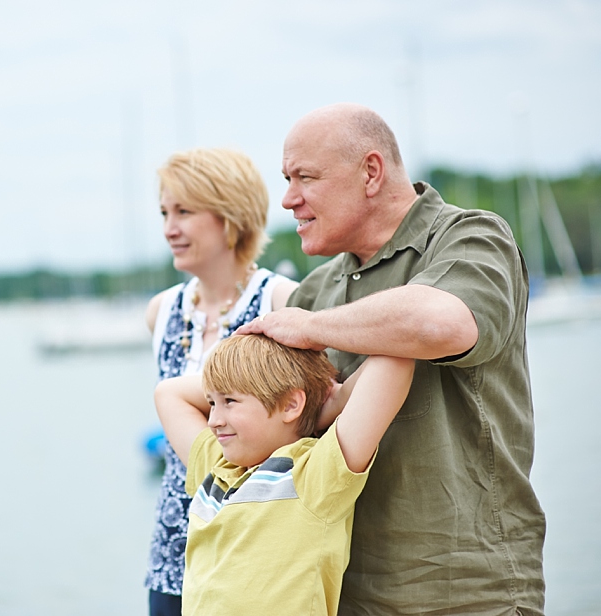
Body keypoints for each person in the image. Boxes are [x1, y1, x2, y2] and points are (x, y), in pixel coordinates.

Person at [237, 102, 546, 614]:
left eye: (305, 177)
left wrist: (311, 328)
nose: (288, 199)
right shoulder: (316, 288)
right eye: (286, 179)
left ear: (371, 172)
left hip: (470, 593)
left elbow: (441, 323)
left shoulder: (470, 238)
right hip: (342, 595)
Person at [155, 334, 415, 615]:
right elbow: (168, 393)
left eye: (229, 401)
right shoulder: (218, 466)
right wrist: (242, 372)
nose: (213, 420)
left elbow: (396, 357)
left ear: (292, 404)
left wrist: (336, 400)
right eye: (211, 402)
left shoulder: (313, 474)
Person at [143, 147, 298, 615]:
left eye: (185, 212)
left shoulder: (279, 300)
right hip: (175, 552)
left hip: (257, 551)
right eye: (165, 212)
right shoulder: (161, 311)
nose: (170, 227)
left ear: (230, 215)